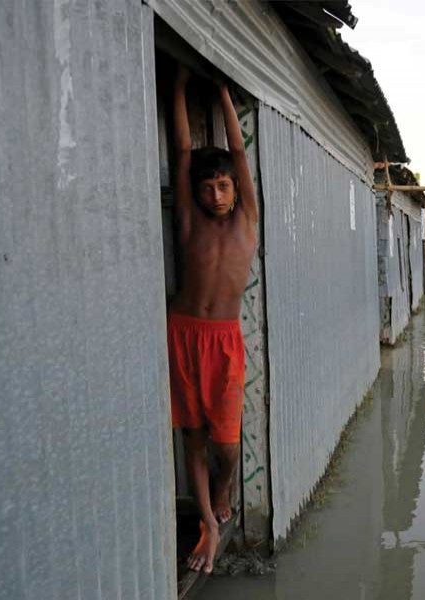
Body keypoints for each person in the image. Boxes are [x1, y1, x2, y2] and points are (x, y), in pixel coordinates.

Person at [168, 64, 258, 574]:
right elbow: (183, 154)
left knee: (225, 446)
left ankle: (221, 490)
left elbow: (239, 152)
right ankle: (208, 522)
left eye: (223, 186)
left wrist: (224, 90)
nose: (216, 195)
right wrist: (179, 87)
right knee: (192, 438)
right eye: (208, 188)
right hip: (181, 334)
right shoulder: (188, 221)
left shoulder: (247, 220)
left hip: (224, 342)